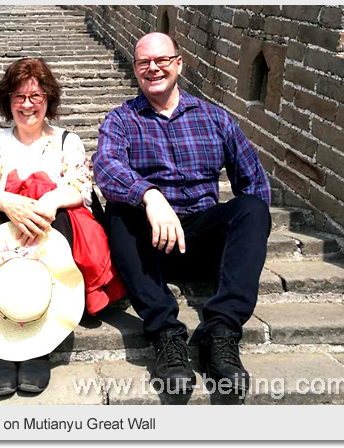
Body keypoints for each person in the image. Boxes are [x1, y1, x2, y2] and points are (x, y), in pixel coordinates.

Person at [92, 32, 271, 402]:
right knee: (120, 209)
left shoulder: (214, 117)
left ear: (178, 63)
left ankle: (220, 332)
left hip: (203, 240)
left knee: (252, 208)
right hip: (150, 248)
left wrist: (246, 241)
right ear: (136, 68)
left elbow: (252, 180)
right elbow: (106, 167)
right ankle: (165, 334)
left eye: (161, 60)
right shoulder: (122, 119)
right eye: (144, 62)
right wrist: (149, 195)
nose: (153, 68)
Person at [0, 57, 124, 397]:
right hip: (5, 231)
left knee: (60, 212)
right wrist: (11, 203)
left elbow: (80, 187)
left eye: (35, 96)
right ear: (7, 101)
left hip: (55, 232)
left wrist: (45, 204)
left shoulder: (67, 140)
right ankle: (1, 347)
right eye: (19, 97)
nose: (27, 105)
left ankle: (38, 342)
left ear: (48, 99)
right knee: (0, 210)